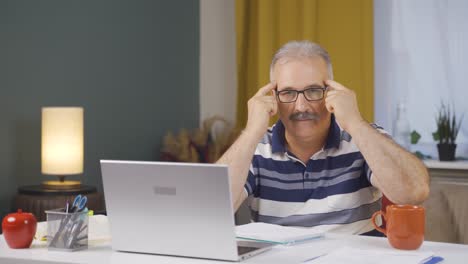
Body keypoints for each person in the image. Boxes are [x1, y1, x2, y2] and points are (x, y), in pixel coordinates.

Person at [217, 40, 429, 234]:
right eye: (289, 93)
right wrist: (252, 131)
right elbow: (214, 209)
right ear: (273, 98)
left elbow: (413, 192)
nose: (301, 107)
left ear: (331, 92)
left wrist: (355, 122)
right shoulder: (255, 147)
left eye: (313, 90)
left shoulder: (363, 138)